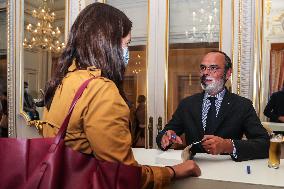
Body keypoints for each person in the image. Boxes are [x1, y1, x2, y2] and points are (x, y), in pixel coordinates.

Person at [42, 3, 201, 189]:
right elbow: (123, 177)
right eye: (127, 44)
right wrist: (174, 171)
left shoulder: (65, 79)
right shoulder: (101, 90)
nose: (128, 52)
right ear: (108, 44)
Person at [156, 50, 270, 162]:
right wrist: (165, 137)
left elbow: (264, 144)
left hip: (228, 171)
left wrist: (228, 146)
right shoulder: (187, 104)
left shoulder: (242, 105)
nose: (206, 72)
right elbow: (164, 133)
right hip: (192, 169)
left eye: (213, 68)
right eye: (203, 68)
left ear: (228, 73)